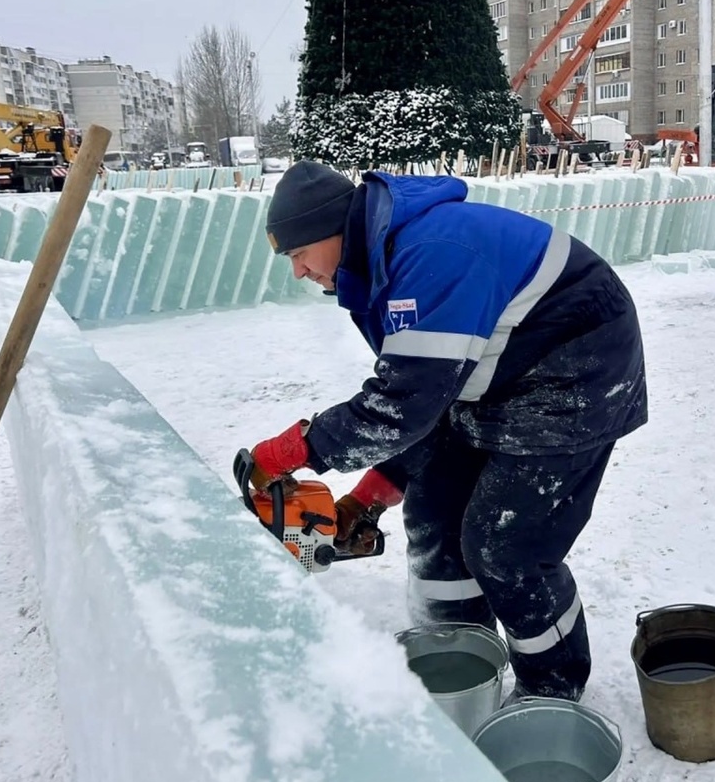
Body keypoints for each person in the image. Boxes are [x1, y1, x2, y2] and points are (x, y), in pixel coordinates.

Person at [246, 160, 648, 702]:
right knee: (434, 514)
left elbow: (401, 406)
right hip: (505, 374)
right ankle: (459, 659)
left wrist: (300, 447)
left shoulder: (430, 255)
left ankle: (551, 692)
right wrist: (371, 496)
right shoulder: (378, 266)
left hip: (577, 369)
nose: (297, 271)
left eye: (298, 254)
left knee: (505, 545)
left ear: (334, 230)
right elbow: (429, 400)